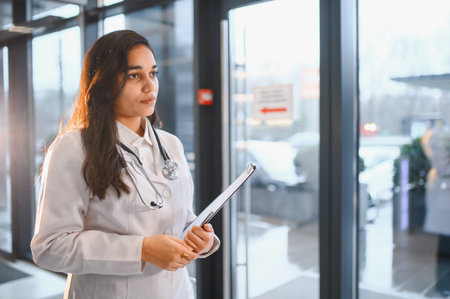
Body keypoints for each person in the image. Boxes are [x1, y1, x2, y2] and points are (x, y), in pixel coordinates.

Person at [30, 30, 220, 299]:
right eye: (134, 75)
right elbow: (50, 247)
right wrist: (141, 249)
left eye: (153, 73)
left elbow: (178, 217)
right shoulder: (73, 149)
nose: (149, 86)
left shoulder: (171, 145)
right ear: (105, 83)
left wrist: (202, 238)